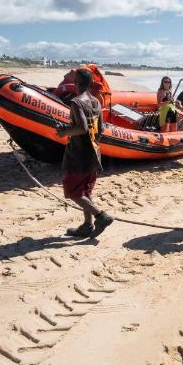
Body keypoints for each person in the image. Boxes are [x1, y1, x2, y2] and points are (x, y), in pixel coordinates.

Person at [55, 67, 113, 239]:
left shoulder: (76, 102)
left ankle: (101, 216)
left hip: (78, 155)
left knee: (73, 192)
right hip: (94, 153)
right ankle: (87, 226)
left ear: (76, 83)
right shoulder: (96, 101)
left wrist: (64, 132)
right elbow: (100, 128)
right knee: (86, 191)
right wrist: (91, 143)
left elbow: (81, 127)